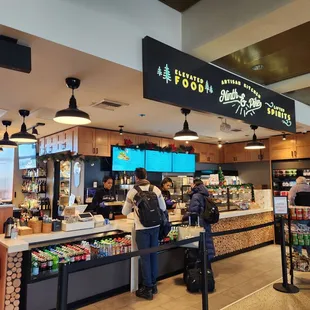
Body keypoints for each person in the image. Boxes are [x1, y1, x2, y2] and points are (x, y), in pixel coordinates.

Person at [122, 168, 166, 300]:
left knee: (145, 257)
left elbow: (124, 212)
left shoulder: (133, 191)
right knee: (153, 255)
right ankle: (153, 285)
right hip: (156, 226)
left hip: (142, 228)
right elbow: (163, 208)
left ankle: (147, 288)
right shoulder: (155, 189)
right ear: (146, 176)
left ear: (136, 177)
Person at [188, 178, 215, 270]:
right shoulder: (206, 194)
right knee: (207, 244)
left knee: (200, 246)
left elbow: (193, 212)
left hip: (199, 224)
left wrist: (185, 216)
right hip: (206, 222)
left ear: (195, 185)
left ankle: (200, 270)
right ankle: (207, 268)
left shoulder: (196, 196)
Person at [288, 176, 310, 256]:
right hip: (309, 215)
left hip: (299, 215)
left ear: (297, 182)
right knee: (308, 236)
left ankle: (298, 258)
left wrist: (293, 206)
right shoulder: (309, 187)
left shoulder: (294, 188)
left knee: (297, 236)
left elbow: (291, 199)